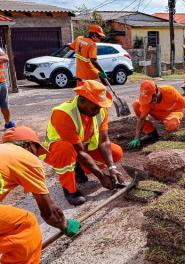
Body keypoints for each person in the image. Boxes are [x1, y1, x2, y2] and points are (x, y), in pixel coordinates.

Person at [0, 126, 80, 264]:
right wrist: (65, 225)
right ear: (29, 145)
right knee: (24, 224)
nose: (36, 155)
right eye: (37, 149)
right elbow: (49, 212)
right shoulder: (26, 157)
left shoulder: (4, 154)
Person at [42, 80, 124, 206]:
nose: (98, 111)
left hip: (82, 148)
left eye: (100, 107)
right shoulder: (63, 113)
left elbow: (104, 140)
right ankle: (70, 189)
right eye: (94, 107)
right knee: (65, 148)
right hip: (58, 152)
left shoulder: (100, 110)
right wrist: (101, 176)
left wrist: (112, 168)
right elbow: (79, 151)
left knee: (116, 152)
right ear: (82, 100)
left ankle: (78, 167)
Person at [126, 80, 185, 149]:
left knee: (172, 124)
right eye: (148, 100)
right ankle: (151, 133)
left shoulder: (170, 92)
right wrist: (137, 138)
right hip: (157, 113)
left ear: (156, 91)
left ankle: (171, 134)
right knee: (136, 104)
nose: (149, 102)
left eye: (151, 99)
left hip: (172, 112)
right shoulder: (147, 101)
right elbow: (141, 119)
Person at [0, 47, 15, 129]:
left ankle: (8, 123)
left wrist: (2, 58)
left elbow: (6, 58)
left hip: (2, 82)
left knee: (5, 105)